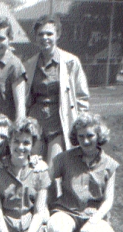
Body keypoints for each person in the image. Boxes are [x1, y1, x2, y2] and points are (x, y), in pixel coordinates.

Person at [24, 14, 90, 171]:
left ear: (58, 35)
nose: (44, 38)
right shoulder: (29, 64)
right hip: (36, 126)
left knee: (54, 171)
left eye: (49, 34)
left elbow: (82, 97)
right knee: (33, 169)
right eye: (40, 34)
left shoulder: (70, 62)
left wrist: (80, 125)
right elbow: (27, 97)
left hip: (58, 125)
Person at [47, 113, 118, 232]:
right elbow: (45, 179)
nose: (85, 141)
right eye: (81, 136)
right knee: (55, 231)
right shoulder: (65, 158)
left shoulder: (109, 164)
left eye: (90, 135)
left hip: (94, 215)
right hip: (67, 211)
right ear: (76, 137)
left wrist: (93, 221)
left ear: (98, 135)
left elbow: (108, 199)